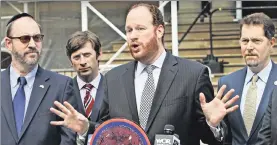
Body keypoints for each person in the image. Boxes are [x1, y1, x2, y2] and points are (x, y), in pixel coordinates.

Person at [50, 3, 238, 145]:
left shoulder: (193, 74)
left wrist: (213, 125)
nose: (132, 35)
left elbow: (211, 138)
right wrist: (85, 128)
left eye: (140, 29)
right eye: (129, 30)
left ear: (159, 30)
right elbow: (109, 130)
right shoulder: (113, 79)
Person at [1, 13, 77, 145]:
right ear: (8, 43)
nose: (32, 44)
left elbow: (68, 139)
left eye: (37, 38)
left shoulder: (61, 86)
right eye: (24, 38)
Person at [217, 12, 277, 145]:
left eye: (256, 41)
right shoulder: (226, 83)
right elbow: (224, 136)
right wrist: (213, 124)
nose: (249, 47)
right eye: (245, 41)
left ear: (272, 43)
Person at [65, 30, 104, 144]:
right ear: (70, 61)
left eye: (87, 55)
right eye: (76, 57)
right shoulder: (64, 91)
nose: (82, 62)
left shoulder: (113, 88)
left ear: (99, 54)